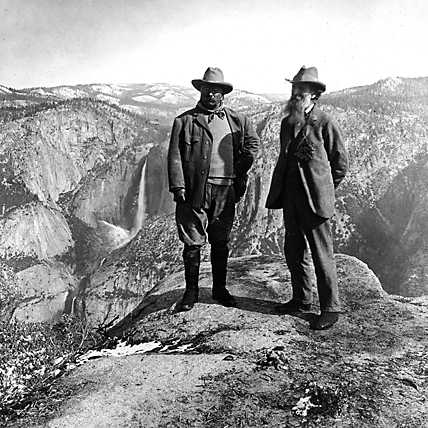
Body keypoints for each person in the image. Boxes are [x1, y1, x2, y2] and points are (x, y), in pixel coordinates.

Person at [168, 67, 260, 311]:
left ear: (223, 94)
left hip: (226, 190)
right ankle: (191, 293)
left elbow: (253, 144)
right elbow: (175, 155)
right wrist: (178, 186)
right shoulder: (184, 121)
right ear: (201, 91)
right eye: (207, 90)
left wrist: (241, 166)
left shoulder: (238, 121)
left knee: (221, 242)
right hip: (195, 191)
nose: (211, 95)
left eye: (216, 91)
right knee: (192, 242)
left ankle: (220, 289)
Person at [265, 66, 348, 330]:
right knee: (293, 249)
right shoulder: (287, 123)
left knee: (321, 253)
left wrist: (324, 189)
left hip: (315, 201)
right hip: (291, 198)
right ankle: (301, 299)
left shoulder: (324, 122)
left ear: (314, 94)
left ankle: (330, 308)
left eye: (302, 90)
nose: (297, 93)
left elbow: (340, 163)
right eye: (295, 89)